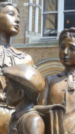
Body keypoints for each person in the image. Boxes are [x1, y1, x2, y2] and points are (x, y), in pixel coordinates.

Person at [39, 27, 75, 134]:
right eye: (62, 47)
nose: (65, 52)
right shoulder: (49, 80)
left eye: (72, 48)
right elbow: (41, 111)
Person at [0, 2, 34, 134]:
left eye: (18, 16)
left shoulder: (25, 59)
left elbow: (32, 98)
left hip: (16, 120)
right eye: (11, 14)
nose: (17, 19)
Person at [2, 64, 45, 134]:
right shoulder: (17, 117)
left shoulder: (32, 120)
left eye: (7, 86)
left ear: (20, 94)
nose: (4, 90)